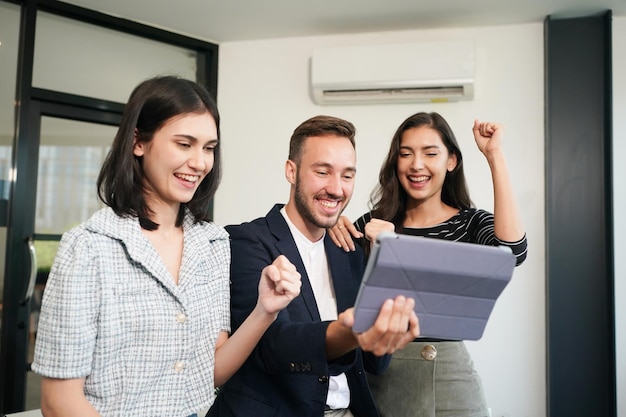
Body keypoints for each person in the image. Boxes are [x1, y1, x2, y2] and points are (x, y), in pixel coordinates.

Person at [31, 75, 302, 417]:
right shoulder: (88, 248)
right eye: (184, 144)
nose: (201, 162)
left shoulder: (214, 244)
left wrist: (265, 311)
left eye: (209, 148)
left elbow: (209, 372)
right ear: (138, 143)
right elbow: (59, 402)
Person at [207, 115, 420, 417]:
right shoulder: (245, 241)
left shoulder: (349, 249)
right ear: (291, 171)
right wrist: (347, 332)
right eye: (323, 172)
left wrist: (388, 266)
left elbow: (375, 363)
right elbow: (272, 347)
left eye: (347, 176)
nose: (336, 189)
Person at [329, 112, 528, 417]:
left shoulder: (470, 223)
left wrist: (494, 155)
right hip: (380, 376)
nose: (416, 164)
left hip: (452, 381)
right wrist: (330, 226)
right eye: (406, 154)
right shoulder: (373, 224)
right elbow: (334, 293)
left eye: (430, 153)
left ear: (452, 161)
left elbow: (513, 252)